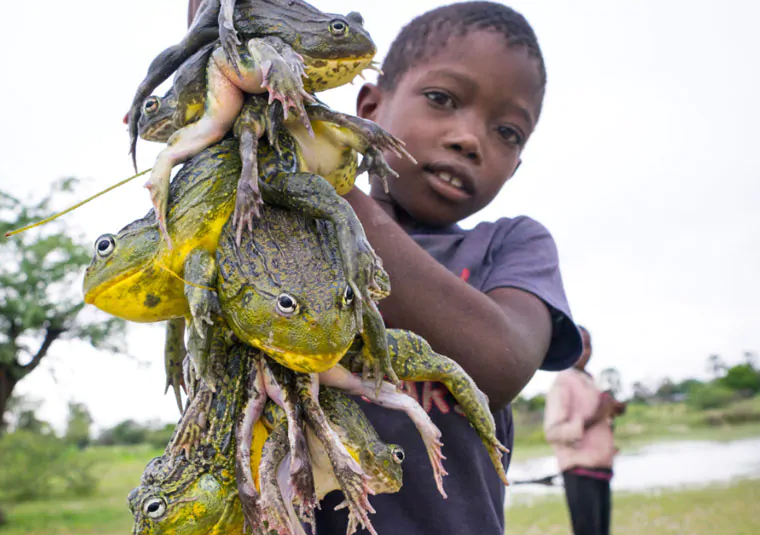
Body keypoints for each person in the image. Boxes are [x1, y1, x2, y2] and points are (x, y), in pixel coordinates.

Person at [181, 2, 582, 534]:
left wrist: (331, 183)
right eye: (443, 99)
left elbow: (502, 364)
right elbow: (226, 69)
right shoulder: (277, 230)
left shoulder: (509, 244)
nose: (471, 139)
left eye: (508, 133)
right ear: (368, 104)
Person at [544, 326, 625, 535]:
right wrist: (597, 415)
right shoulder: (563, 382)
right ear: (566, 348)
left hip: (601, 469)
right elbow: (553, 432)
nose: (584, 351)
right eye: (579, 346)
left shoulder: (590, 380)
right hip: (579, 471)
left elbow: (599, 418)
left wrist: (611, 411)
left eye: (588, 345)